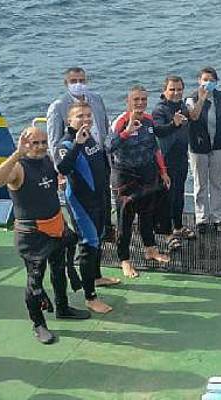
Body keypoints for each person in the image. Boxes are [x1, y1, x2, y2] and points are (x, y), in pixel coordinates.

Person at [0, 127, 91, 344]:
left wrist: (77, 147)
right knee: (34, 281)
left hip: (55, 227)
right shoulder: (18, 167)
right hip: (32, 235)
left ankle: (62, 307)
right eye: (34, 143)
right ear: (24, 144)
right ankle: (38, 324)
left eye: (43, 142)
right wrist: (17, 153)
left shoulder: (46, 160)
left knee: (59, 269)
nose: (41, 146)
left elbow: (57, 175)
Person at [53, 102, 115, 314]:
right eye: (80, 116)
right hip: (81, 202)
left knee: (99, 237)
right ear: (69, 120)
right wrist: (78, 144)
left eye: (88, 115)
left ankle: (96, 277)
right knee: (89, 244)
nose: (86, 119)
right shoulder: (66, 144)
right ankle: (90, 297)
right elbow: (62, 168)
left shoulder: (90, 136)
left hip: (99, 199)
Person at [108, 86, 171, 278]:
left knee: (147, 215)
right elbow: (108, 146)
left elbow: (155, 149)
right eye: (136, 99)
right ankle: (124, 260)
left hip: (147, 173)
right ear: (128, 101)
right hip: (125, 178)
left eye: (143, 99)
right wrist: (126, 132)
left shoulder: (149, 120)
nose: (140, 103)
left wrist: (163, 172)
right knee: (124, 221)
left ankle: (150, 249)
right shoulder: (120, 121)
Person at [46, 67, 114, 241]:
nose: (79, 84)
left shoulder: (96, 99)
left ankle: (106, 229)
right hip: (77, 162)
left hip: (98, 156)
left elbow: (104, 125)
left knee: (104, 195)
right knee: (84, 205)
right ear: (66, 83)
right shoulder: (58, 106)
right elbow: (55, 141)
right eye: (74, 81)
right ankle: (88, 238)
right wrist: (59, 173)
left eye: (82, 81)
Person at [185, 67, 221, 233]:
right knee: (200, 184)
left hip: (218, 146)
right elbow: (193, 116)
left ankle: (218, 218)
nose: (208, 83)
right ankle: (201, 218)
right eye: (205, 79)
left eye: (212, 80)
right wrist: (201, 99)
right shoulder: (191, 98)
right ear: (199, 80)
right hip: (198, 148)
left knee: (218, 183)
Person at [152, 75, 196, 241]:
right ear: (165, 91)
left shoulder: (182, 106)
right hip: (165, 160)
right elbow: (158, 130)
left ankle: (178, 226)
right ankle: (166, 232)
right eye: (172, 89)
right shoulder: (159, 109)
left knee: (179, 194)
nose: (176, 92)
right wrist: (173, 124)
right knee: (166, 197)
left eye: (179, 89)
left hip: (181, 158)